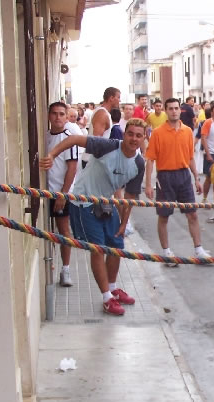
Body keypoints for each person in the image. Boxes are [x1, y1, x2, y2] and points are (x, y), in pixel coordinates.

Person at [39, 119, 147, 315]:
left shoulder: (139, 163)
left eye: (138, 135)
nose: (133, 138)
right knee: (98, 249)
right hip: (83, 203)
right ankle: (106, 298)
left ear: (144, 138)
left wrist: (124, 223)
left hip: (106, 203)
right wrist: (52, 155)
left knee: (117, 246)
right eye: (130, 133)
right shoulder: (107, 146)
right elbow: (73, 139)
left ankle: (113, 289)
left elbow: (130, 197)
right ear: (124, 134)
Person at [145, 98, 210, 265]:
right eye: (171, 108)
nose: (174, 111)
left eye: (176, 108)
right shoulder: (157, 133)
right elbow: (150, 160)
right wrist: (148, 184)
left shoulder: (187, 131)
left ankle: (199, 250)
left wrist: (196, 179)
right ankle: (166, 252)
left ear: (180, 110)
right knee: (164, 216)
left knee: (192, 214)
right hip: (165, 177)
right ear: (166, 111)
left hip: (184, 176)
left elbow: (190, 157)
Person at [44, 102, 79, 287]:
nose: (57, 117)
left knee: (64, 231)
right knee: (47, 232)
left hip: (61, 194)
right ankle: (49, 264)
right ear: (49, 116)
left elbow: (72, 168)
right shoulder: (44, 137)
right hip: (44, 193)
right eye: (54, 113)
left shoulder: (69, 140)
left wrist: (63, 194)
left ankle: (65, 270)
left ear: (66, 117)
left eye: (61, 114)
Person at [84, 87, 120, 168]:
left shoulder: (103, 112)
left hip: (94, 161)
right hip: (92, 162)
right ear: (111, 98)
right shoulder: (102, 114)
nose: (119, 100)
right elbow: (96, 141)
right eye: (118, 97)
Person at [200, 102, 214, 201]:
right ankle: (204, 198)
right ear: (212, 112)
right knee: (209, 178)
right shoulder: (208, 122)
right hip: (211, 154)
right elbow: (203, 138)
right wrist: (208, 154)